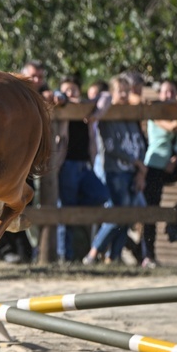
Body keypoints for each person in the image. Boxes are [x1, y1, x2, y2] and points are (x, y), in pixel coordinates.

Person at [82, 75, 147, 264]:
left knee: (129, 215)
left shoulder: (131, 114)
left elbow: (139, 142)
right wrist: (136, 163)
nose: (125, 94)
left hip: (133, 171)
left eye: (128, 90)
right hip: (115, 171)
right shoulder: (107, 114)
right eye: (121, 90)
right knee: (117, 213)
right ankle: (93, 253)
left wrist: (141, 170)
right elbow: (111, 148)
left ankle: (114, 255)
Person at [141, 80, 177, 268]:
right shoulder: (155, 111)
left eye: (172, 91)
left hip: (172, 165)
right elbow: (173, 127)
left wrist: (175, 160)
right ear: (159, 95)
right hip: (155, 165)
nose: (168, 95)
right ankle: (148, 255)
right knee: (152, 209)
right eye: (165, 91)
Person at [56, 75, 112, 261]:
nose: (71, 93)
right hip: (68, 165)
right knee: (66, 211)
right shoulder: (60, 107)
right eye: (67, 90)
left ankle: (77, 211)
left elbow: (106, 97)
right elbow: (57, 97)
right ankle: (65, 255)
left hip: (84, 165)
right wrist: (64, 99)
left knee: (101, 194)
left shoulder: (86, 107)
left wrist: (94, 114)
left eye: (74, 89)